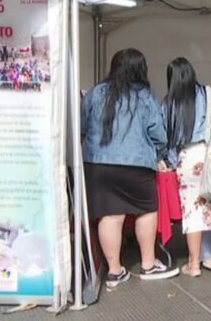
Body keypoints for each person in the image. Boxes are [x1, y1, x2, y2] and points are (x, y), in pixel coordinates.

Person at [81, 49, 178, 288]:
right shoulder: (144, 96)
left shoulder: (95, 93)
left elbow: (82, 126)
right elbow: (158, 133)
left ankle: (115, 272)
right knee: (146, 210)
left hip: (98, 163)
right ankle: (148, 264)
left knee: (110, 215)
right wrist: (161, 154)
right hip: (136, 164)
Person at [162, 58, 211, 276]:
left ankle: (194, 265)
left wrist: (171, 162)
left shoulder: (168, 102)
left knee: (192, 211)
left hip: (188, 157)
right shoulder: (208, 94)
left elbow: (168, 138)